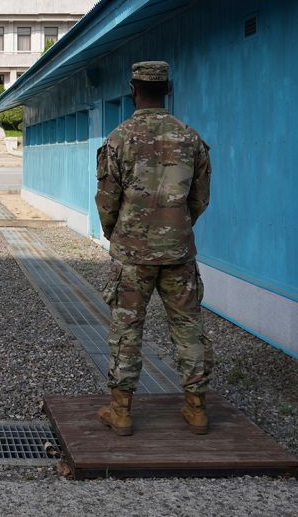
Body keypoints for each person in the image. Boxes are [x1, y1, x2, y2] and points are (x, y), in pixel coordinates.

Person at [94, 61, 214, 436]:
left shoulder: (119, 138)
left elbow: (107, 200)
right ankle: (196, 409)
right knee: (188, 326)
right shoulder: (190, 138)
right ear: (168, 89)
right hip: (178, 251)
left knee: (127, 328)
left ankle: (122, 411)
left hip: (132, 253)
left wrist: (118, 233)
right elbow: (200, 198)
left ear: (133, 89)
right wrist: (177, 225)